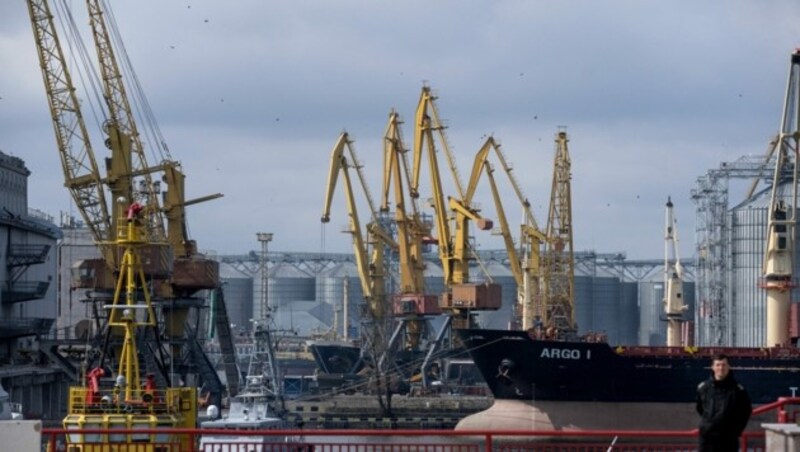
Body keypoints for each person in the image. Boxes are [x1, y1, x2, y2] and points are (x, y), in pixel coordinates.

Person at [696, 353, 752, 451]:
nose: (721, 368)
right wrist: (708, 423)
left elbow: (746, 411)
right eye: (718, 365)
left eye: (724, 365)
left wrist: (736, 431)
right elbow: (700, 408)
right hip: (707, 439)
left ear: (729, 367)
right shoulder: (703, 388)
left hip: (728, 439)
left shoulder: (738, 390)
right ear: (712, 367)